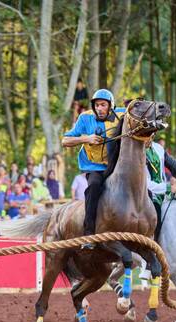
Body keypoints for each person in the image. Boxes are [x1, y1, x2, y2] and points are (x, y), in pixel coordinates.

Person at [61, 89, 126, 249]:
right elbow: (64, 140)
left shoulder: (122, 115)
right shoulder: (85, 118)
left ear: (111, 106)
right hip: (94, 167)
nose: (99, 108)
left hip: (116, 166)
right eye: (97, 105)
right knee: (94, 186)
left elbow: (138, 113)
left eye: (103, 105)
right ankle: (88, 234)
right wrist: (86, 138)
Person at [145, 139, 176, 240]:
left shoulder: (158, 148)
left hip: (164, 194)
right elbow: (144, 183)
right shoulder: (137, 150)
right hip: (147, 197)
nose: (150, 136)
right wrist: (169, 187)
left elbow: (174, 166)